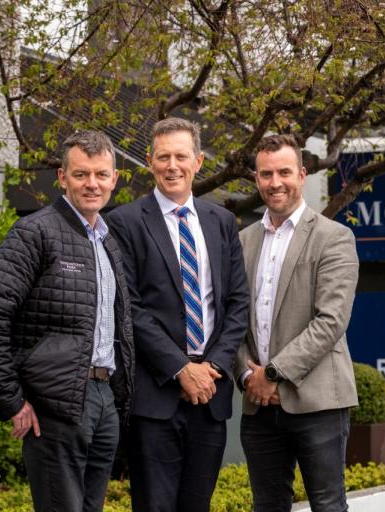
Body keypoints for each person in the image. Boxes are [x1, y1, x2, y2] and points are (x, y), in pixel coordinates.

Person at [0, 130, 135, 512]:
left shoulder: (108, 241)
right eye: (81, 174)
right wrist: (11, 401)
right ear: (62, 177)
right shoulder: (35, 232)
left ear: (114, 179)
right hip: (55, 405)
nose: (92, 184)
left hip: (104, 398)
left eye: (101, 174)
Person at [107, 117, 248, 512]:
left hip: (211, 393)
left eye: (181, 156)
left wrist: (213, 366)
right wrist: (181, 369)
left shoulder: (221, 221)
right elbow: (129, 306)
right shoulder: (124, 222)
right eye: (163, 156)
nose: (172, 166)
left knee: (196, 505)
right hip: (156, 395)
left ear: (198, 161)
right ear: (149, 161)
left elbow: (237, 302)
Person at [235, 134, 360, 512]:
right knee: (267, 506)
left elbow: (330, 321)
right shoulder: (240, 241)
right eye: (266, 174)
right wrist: (247, 376)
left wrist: (273, 374)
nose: (275, 183)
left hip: (318, 401)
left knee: (327, 505)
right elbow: (231, 320)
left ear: (302, 174)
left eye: (284, 172)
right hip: (258, 404)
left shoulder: (333, 238)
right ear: (256, 179)